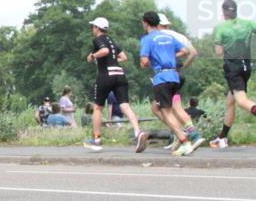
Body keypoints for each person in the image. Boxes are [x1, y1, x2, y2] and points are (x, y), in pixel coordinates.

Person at [84, 17, 149, 153]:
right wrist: (111, 60)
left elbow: (104, 51)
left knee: (98, 108)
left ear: (97, 28)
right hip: (120, 74)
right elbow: (124, 57)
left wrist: (93, 56)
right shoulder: (111, 40)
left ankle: (97, 140)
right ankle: (138, 132)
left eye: (93, 27)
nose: (92, 29)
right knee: (125, 105)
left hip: (106, 75)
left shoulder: (98, 39)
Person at [140, 11, 200, 156]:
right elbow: (184, 51)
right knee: (163, 107)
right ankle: (186, 133)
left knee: (166, 112)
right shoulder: (168, 37)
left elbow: (144, 61)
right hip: (175, 77)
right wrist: (169, 57)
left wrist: (152, 62)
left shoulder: (147, 39)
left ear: (146, 23)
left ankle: (184, 141)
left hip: (162, 78)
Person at [210, 0, 256, 149]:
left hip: (233, 68)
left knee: (242, 101)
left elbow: (219, 52)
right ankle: (222, 137)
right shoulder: (248, 24)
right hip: (246, 67)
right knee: (230, 101)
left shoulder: (221, 28)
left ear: (223, 12)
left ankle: (222, 138)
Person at [156, 13, 204, 144]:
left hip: (166, 75)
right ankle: (191, 134)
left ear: (157, 25)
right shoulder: (180, 36)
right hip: (178, 75)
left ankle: (182, 134)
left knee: (157, 108)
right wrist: (183, 68)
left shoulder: (158, 37)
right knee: (176, 107)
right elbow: (193, 53)